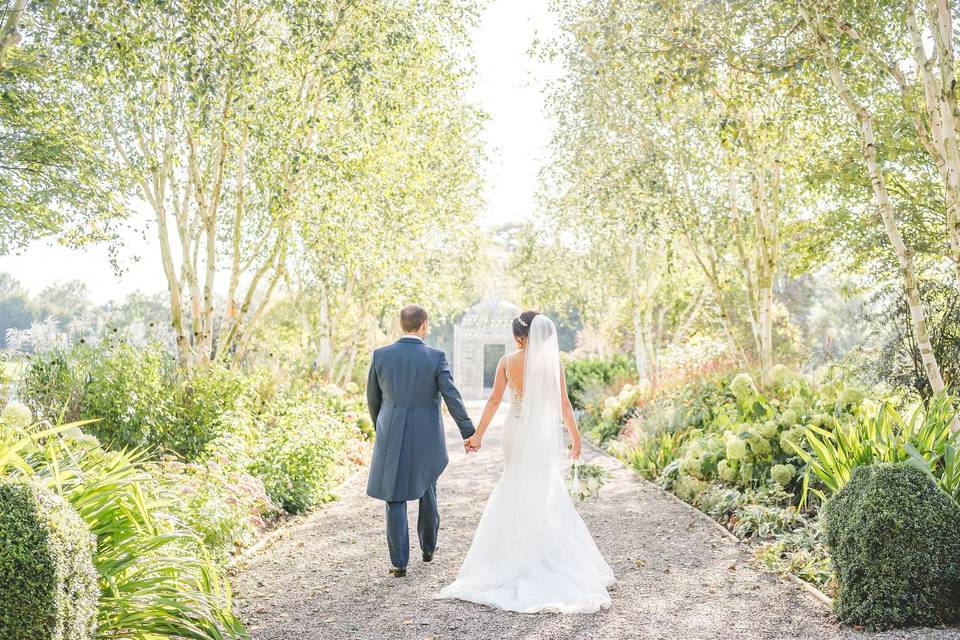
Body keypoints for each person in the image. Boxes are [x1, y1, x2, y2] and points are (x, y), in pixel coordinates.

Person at [437, 311, 615, 613]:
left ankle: (512, 554)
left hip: (516, 430)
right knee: (543, 487)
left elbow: (494, 401)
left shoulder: (508, 362)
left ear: (519, 336)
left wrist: (477, 435)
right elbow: (563, 403)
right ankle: (541, 552)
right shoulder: (553, 364)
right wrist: (576, 438)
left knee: (514, 483)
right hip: (541, 435)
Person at [366, 304, 478, 578]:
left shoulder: (381, 355)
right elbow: (452, 396)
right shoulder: (435, 356)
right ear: (424, 324)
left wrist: (381, 427)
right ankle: (428, 549)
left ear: (401, 325)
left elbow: (372, 399)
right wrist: (468, 431)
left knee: (394, 495)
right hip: (427, 432)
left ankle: (399, 564)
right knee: (427, 486)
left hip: (391, 429)